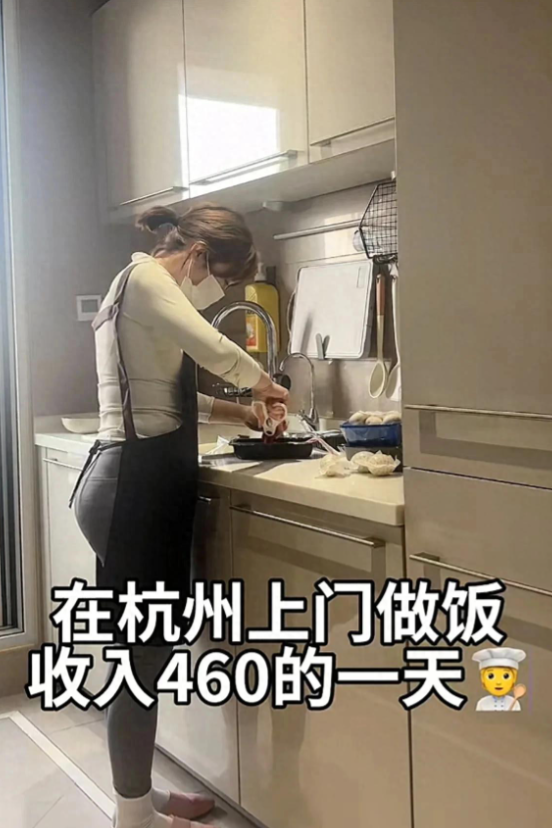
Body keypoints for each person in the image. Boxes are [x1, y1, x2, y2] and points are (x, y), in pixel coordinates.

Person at [72, 203, 289, 828]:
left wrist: (241, 411)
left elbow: (165, 389)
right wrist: (264, 385)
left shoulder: (132, 286)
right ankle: (134, 818)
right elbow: (211, 347)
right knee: (142, 659)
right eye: (220, 277)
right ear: (197, 255)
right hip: (133, 487)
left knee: (143, 653)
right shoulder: (147, 279)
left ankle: (138, 796)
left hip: (123, 482)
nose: (217, 292)